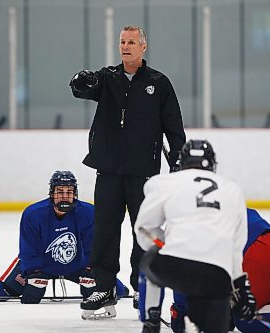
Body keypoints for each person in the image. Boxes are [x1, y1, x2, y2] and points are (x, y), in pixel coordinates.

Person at [69, 25, 186, 317]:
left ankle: (141, 286)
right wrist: (80, 81)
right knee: (105, 230)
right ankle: (103, 287)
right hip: (108, 169)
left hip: (143, 172)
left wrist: (180, 163)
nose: (126, 46)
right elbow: (84, 88)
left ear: (143, 47)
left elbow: (173, 126)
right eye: (122, 41)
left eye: (132, 41)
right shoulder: (108, 78)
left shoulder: (159, 83)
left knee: (142, 231)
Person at [134, 139, 254, 333]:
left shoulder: (165, 182)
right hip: (218, 274)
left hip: (176, 266)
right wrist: (241, 289)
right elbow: (235, 246)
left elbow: (143, 229)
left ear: (182, 163)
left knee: (149, 261)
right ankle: (197, 321)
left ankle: (151, 322)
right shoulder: (233, 190)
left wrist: (164, 243)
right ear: (213, 165)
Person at [0, 171, 129, 311]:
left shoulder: (89, 213)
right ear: (52, 193)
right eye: (60, 192)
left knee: (118, 291)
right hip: (42, 266)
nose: (64, 196)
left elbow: (93, 247)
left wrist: (90, 270)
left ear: (75, 194)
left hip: (77, 266)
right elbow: (28, 249)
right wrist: (33, 273)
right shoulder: (33, 214)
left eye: (69, 192)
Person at [170, 208, 270, 332]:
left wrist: (179, 315)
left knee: (247, 319)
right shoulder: (220, 202)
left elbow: (182, 281)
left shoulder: (185, 229)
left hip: (257, 252)